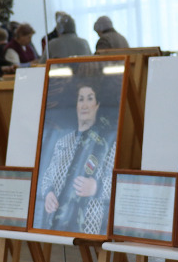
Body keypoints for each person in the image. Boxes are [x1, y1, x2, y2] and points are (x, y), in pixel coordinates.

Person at [35, 78, 117, 234]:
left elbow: (117, 183)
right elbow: (47, 177)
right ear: (76, 105)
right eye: (81, 99)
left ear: (97, 105)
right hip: (55, 225)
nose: (84, 105)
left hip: (89, 228)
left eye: (90, 99)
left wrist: (96, 187)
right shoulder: (63, 142)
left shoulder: (108, 143)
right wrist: (48, 193)